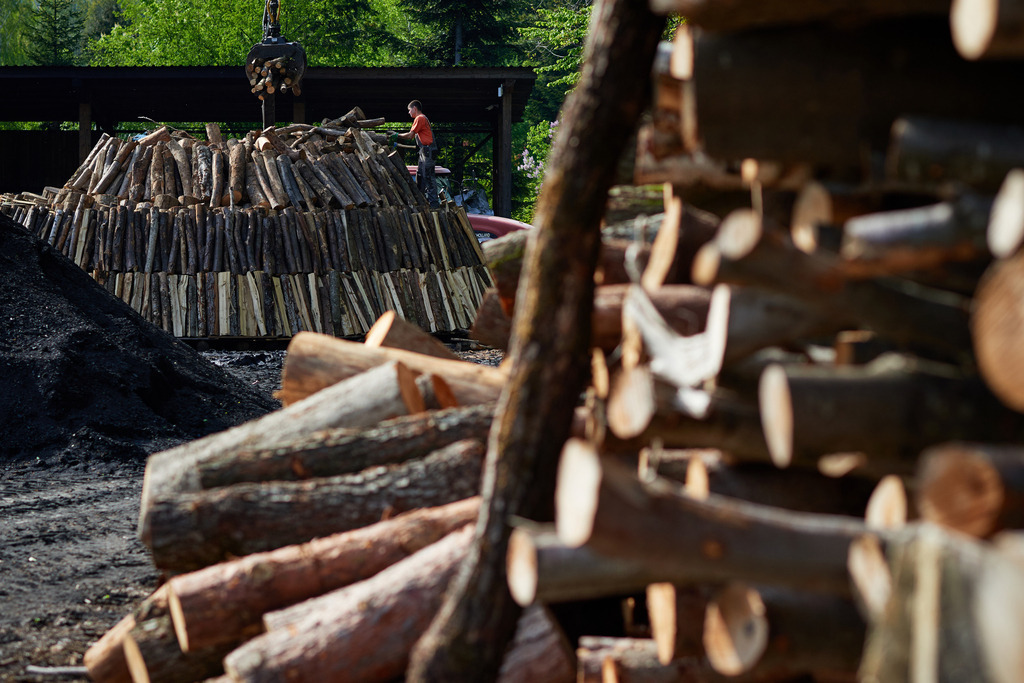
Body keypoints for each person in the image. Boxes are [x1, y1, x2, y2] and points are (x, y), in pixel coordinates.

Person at [391, 100, 440, 208]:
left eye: (409, 110)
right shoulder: (421, 119)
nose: (408, 113)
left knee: (428, 177)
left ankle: (434, 206)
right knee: (421, 176)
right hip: (424, 151)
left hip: (428, 152)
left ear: (414, 108)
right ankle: (422, 202)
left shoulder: (420, 118)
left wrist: (396, 135)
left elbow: (410, 136)